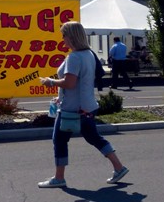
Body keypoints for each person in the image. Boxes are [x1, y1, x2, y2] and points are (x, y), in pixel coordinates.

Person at [38, 21, 130, 188]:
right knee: (93, 137)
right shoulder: (89, 54)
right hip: (87, 105)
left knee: (59, 140)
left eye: (64, 35)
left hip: (72, 108)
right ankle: (119, 167)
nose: (62, 39)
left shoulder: (74, 57)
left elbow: (69, 82)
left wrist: (50, 82)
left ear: (71, 36)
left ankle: (59, 178)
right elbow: (80, 82)